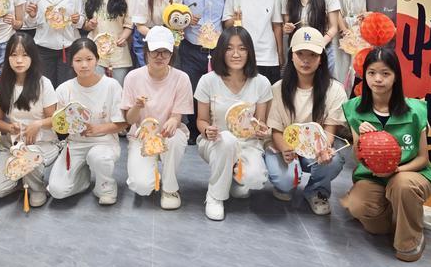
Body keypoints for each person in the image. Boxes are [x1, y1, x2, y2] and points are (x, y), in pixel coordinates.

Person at [341, 46, 431, 262]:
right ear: (365, 75)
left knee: (402, 185)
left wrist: (396, 170)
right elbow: (358, 158)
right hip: (372, 176)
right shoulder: (355, 108)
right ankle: (399, 214)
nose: (378, 79)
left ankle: (410, 241)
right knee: (361, 209)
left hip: (411, 174)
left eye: (385, 73)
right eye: (372, 73)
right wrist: (362, 140)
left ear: (396, 76)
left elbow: (423, 159)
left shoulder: (415, 110)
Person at [265, 28, 347, 215]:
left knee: (333, 161)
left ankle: (317, 191)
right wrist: (285, 149)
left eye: (312, 55)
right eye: (300, 54)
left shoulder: (335, 90)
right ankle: (284, 183)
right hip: (285, 146)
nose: (305, 60)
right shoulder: (278, 89)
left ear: (321, 59)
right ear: (291, 56)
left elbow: (330, 130)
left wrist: (324, 149)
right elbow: (276, 130)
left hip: (315, 150)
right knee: (285, 182)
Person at [194, 27, 272, 221]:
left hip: (248, 142)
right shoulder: (208, 81)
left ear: (249, 52)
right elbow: (201, 120)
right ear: (221, 51)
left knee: (255, 180)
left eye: (242, 48)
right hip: (216, 142)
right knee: (227, 140)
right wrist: (207, 130)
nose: (236, 54)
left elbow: (260, 123)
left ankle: (234, 179)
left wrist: (263, 131)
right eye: (229, 48)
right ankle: (215, 196)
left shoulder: (261, 82)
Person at [48, 38, 126, 205]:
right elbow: (58, 125)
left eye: (89, 59)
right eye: (78, 60)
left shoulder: (111, 86)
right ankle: (82, 179)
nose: (84, 65)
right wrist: (66, 127)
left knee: (98, 157)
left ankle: (105, 186)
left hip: (104, 142)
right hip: (75, 144)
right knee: (57, 190)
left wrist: (97, 129)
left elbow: (122, 123)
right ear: (71, 62)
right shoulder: (64, 89)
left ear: (97, 59)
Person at [122, 26, 193, 209]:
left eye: (165, 52)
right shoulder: (133, 77)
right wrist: (137, 106)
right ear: (146, 51)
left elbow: (177, 115)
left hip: (168, 134)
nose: (160, 56)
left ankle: (170, 188)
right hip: (141, 136)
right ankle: (150, 167)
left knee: (175, 139)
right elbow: (129, 121)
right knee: (142, 187)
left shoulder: (181, 78)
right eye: (155, 51)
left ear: (172, 53)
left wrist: (174, 120)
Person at [0, 33, 60, 207]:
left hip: (43, 143)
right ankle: (23, 179)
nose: (19, 60)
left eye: (24, 55)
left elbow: (54, 119)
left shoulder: (43, 83)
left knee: (28, 154)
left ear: (33, 57)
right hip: (12, 146)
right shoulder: (0, 85)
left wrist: (38, 124)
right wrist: (9, 128)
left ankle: (37, 188)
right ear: (7, 57)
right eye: (14, 55)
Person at [180, 0, 228, 142]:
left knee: (216, 89)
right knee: (192, 89)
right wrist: (185, 19)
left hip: (217, 50)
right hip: (191, 49)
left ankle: (215, 127)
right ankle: (194, 130)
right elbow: (173, 19)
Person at [25, 0, 85, 87]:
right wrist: (32, 16)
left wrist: (77, 20)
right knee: (45, 90)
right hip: (43, 49)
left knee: (67, 89)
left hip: (68, 48)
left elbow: (82, 20)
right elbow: (29, 24)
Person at [223, 0, 284, 84]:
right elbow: (226, 24)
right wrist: (234, 19)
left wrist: (280, 53)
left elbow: (277, 26)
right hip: (241, 56)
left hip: (268, 57)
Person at [282, 0, 341, 74]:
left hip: (322, 50)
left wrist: (319, 44)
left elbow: (334, 28)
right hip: (297, 52)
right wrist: (287, 28)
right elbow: (287, 25)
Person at [83, 0, 133, 85]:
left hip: (119, 52)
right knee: (97, 89)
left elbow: (129, 24)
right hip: (95, 52)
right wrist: (89, 25)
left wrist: (124, 36)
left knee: (118, 90)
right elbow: (85, 25)